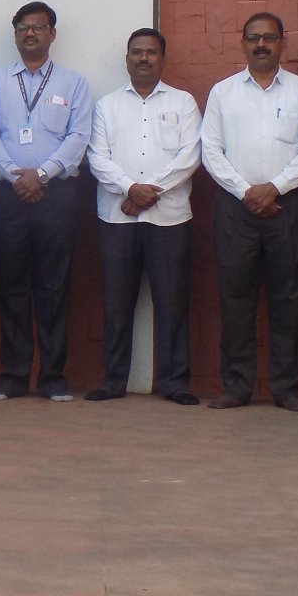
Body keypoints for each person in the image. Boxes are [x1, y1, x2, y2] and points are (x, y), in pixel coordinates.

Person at [200, 13, 298, 411]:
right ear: (243, 43)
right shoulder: (223, 93)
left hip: (288, 205)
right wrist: (246, 191)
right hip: (235, 208)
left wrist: (275, 188)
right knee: (235, 299)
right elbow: (210, 150)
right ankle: (237, 386)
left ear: (283, 42)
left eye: (269, 37)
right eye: (254, 38)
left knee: (290, 298)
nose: (261, 44)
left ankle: (287, 388)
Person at [0, 1, 93, 402]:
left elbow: (78, 136)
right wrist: (17, 175)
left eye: (38, 27)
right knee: (11, 287)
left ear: (52, 34)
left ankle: (53, 377)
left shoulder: (73, 83)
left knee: (54, 286)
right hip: (8, 196)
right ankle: (13, 375)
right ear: (15, 35)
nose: (30, 33)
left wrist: (41, 175)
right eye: (23, 27)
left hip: (55, 195)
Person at [86, 28, 203, 405]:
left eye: (151, 52)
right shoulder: (107, 106)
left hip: (169, 217)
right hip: (117, 218)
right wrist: (129, 188)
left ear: (162, 59)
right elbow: (97, 157)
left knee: (172, 303)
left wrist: (148, 192)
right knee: (116, 304)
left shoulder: (183, 102)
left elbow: (190, 156)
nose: (143, 58)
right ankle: (113, 380)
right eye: (136, 52)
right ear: (126, 59)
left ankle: (175, 382)